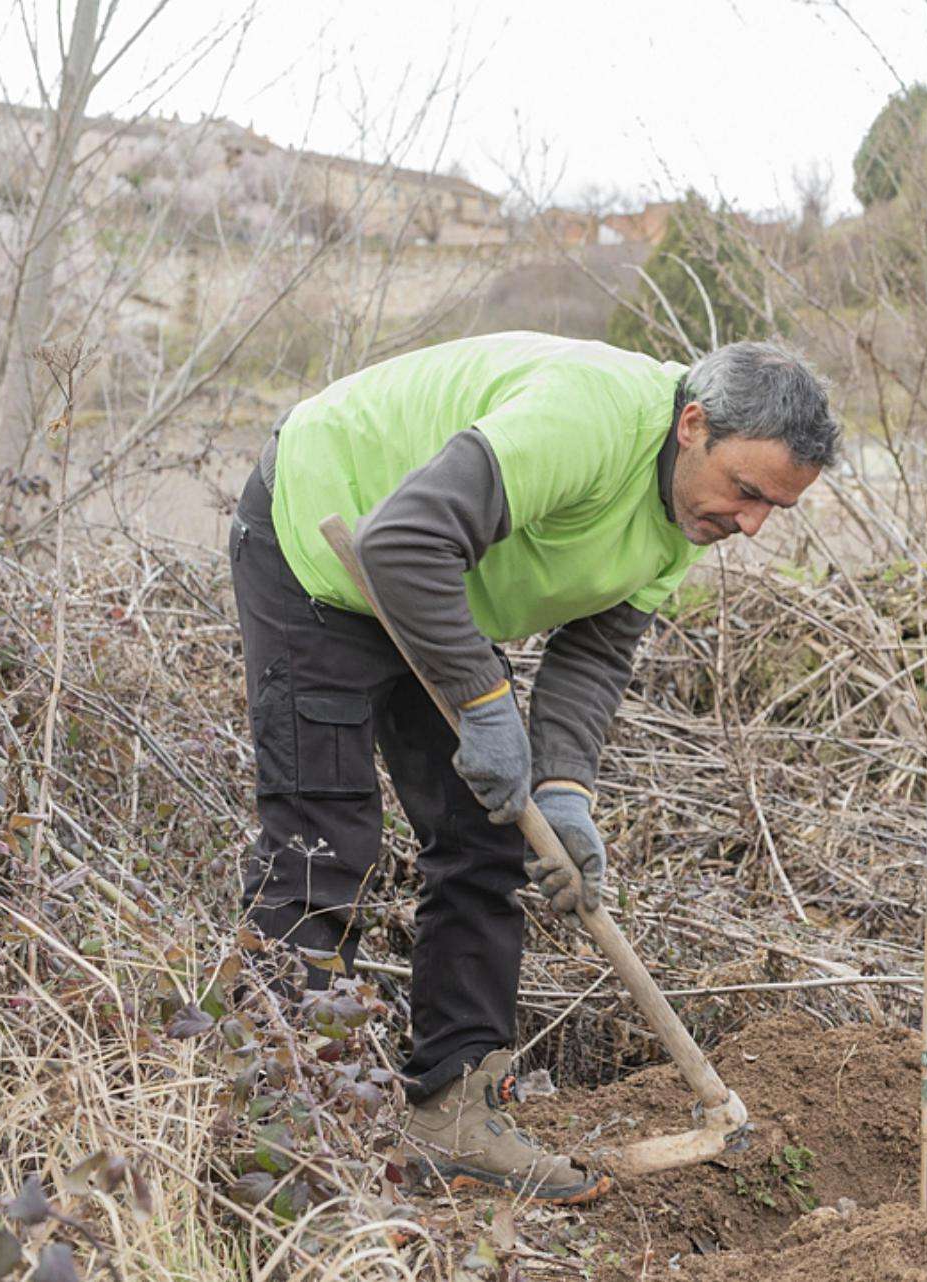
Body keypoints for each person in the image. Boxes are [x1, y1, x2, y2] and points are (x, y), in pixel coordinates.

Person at [229, 333, 839, 1198]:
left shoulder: (687, 510)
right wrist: (484, 704)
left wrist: (565, 793)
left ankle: (454, 1113)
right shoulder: (587, 418)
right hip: (325, 543)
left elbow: (594, 653)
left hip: (436, 585)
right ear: (692, 425)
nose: (750, 526)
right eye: (747, 493)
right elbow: (403, 539)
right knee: (324, 839)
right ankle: (283, 1116)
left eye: (774, 508)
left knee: (486, 838)